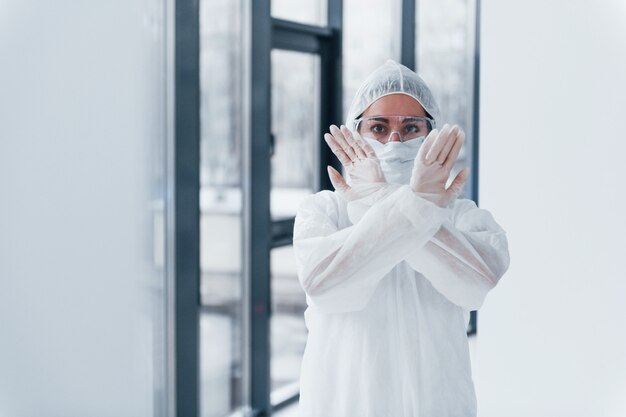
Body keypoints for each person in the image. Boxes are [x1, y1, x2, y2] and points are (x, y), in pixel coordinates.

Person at [292, 59, 510, 417]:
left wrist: (390, 203)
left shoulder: (458, 213)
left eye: (411, 127)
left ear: (431, 136)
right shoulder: (324, 210)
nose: (394, 140)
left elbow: (477, 283)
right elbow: (324, 286)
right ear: (354, 134)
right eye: (377, 127)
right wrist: (410, 207)